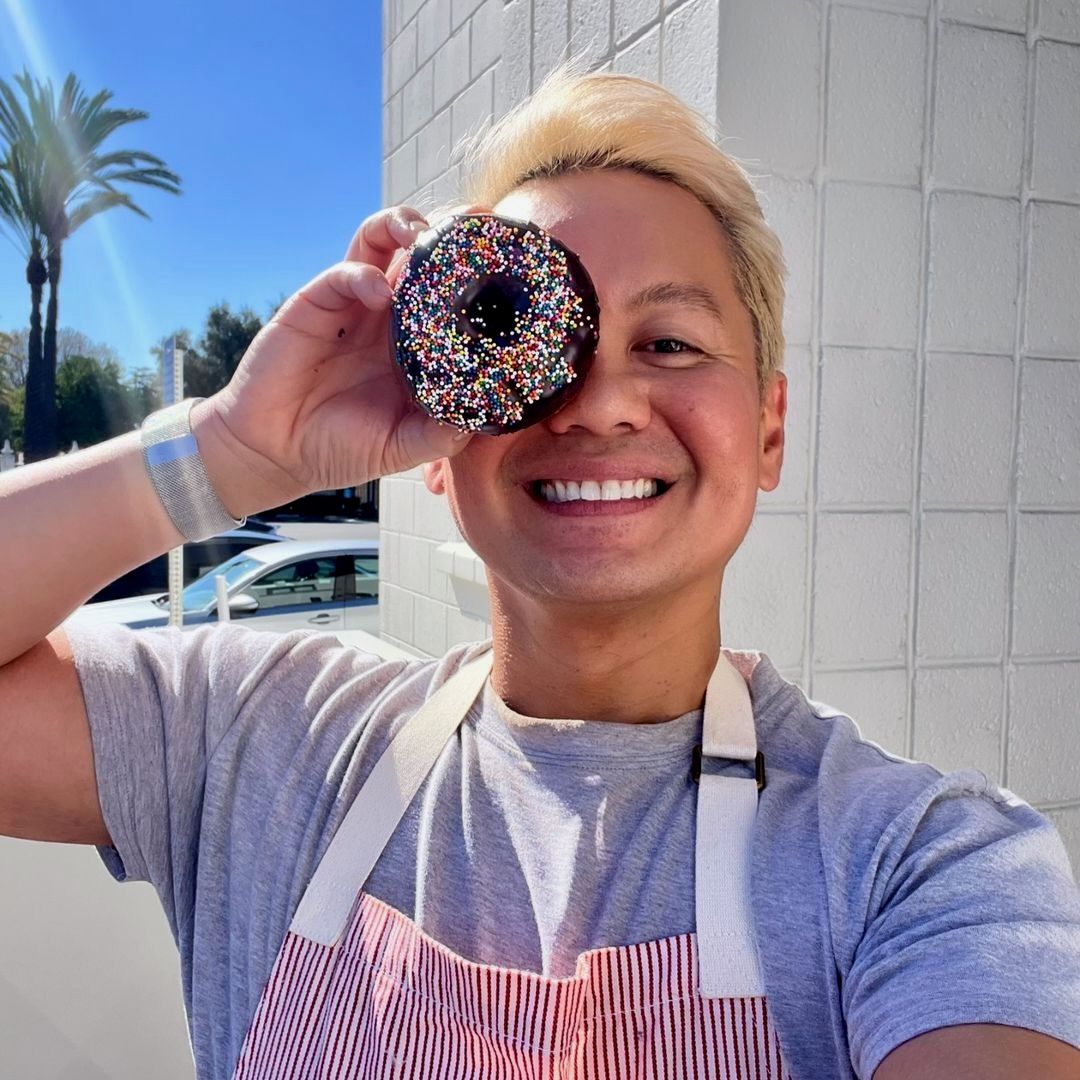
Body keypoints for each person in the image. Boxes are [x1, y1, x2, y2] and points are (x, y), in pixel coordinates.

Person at [1, 61, 1078, 1080]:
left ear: (767, 429)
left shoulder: (925, 864)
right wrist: (230, 455)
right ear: (438, 427)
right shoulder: (259, 741)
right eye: (520, 341)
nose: (598, 403)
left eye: (670, 345)